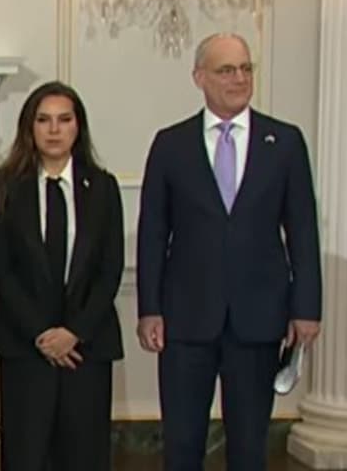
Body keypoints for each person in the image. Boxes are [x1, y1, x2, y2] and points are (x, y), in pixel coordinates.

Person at [137, 32, 322, 470]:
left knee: (249, 448)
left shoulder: (285, 142)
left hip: (258, 319)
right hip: (186, 319)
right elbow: (153, 233)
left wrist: (306, 308)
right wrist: (150, 309)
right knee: (182, 444)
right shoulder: (171, 144)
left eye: (245, 68)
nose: (239, 78)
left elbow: (302, 231)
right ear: (199, 77)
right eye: (226, 70)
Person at [0, 81, 125, 470]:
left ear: (79, 126)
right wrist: (42, 334)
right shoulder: (6, 186)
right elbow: (0, 267)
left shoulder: (103, 187)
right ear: (29, 127)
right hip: (25, 345)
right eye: (43, 120)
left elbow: (110, 269)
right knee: (25, 455)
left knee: (84, 456)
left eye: (64, 119)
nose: (54, 130)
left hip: (86, 348)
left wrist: (74, 332)